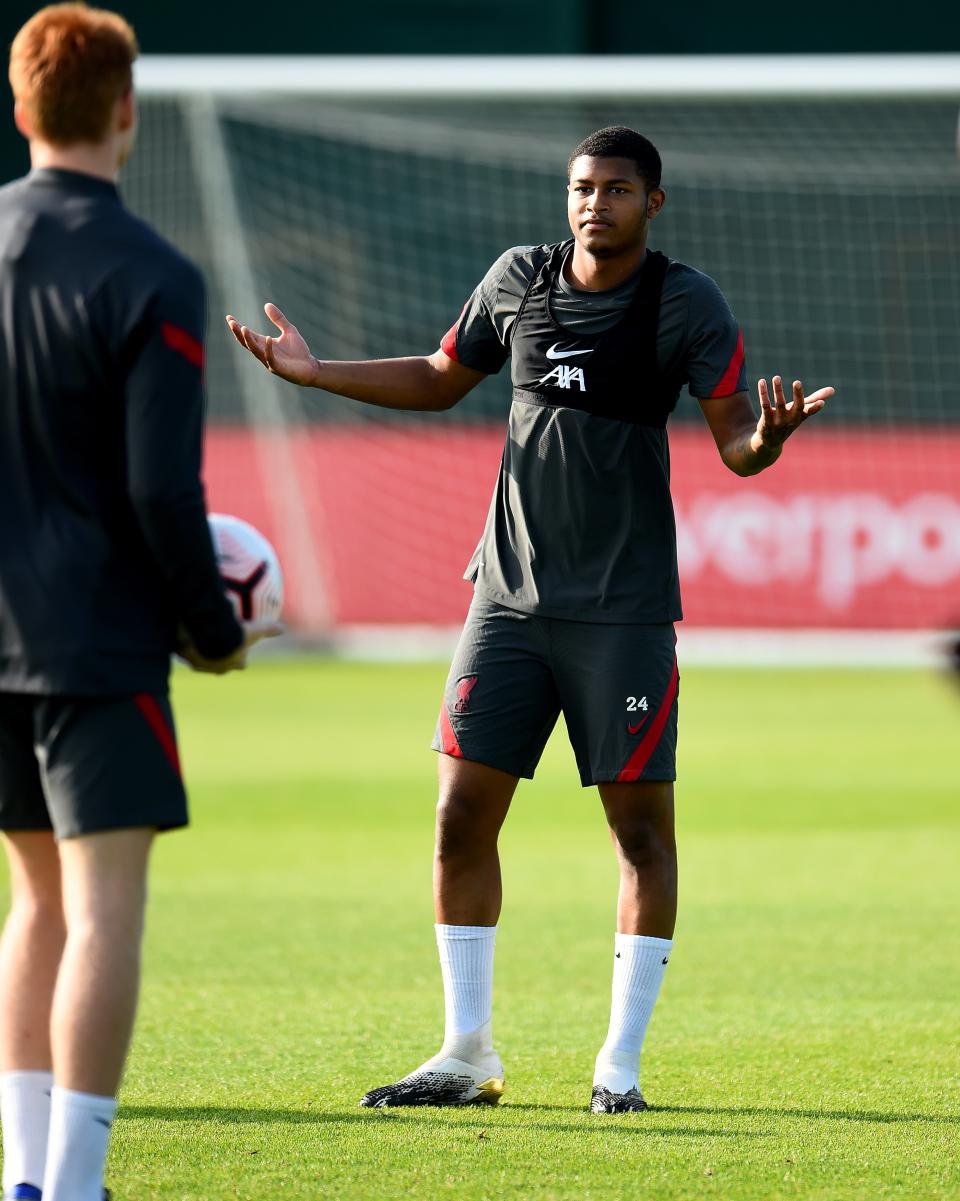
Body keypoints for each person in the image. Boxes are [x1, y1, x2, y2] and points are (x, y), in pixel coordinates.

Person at [228, 125, 832, 1114]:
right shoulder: (518, 279)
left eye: (617, 190)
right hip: (505, 603)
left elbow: (737, 446)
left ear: (654, 204)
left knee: (640, 837)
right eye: (583, 187)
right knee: (458, 819)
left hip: (623, 614)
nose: (595, 204)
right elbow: (438, 376)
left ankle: (619, 1070)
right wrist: (317, 370)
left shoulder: (686, 303)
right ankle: (466, 1052)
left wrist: (771, 438)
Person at [0, 6, 279, 1199]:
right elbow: (163, 491)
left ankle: (24, 1175)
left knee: (35, 902)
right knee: (103, 908)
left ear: (21, 109)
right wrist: (212, 632)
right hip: (95, 645)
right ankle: (73, 1185)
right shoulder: (152, 274)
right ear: (125, 109)